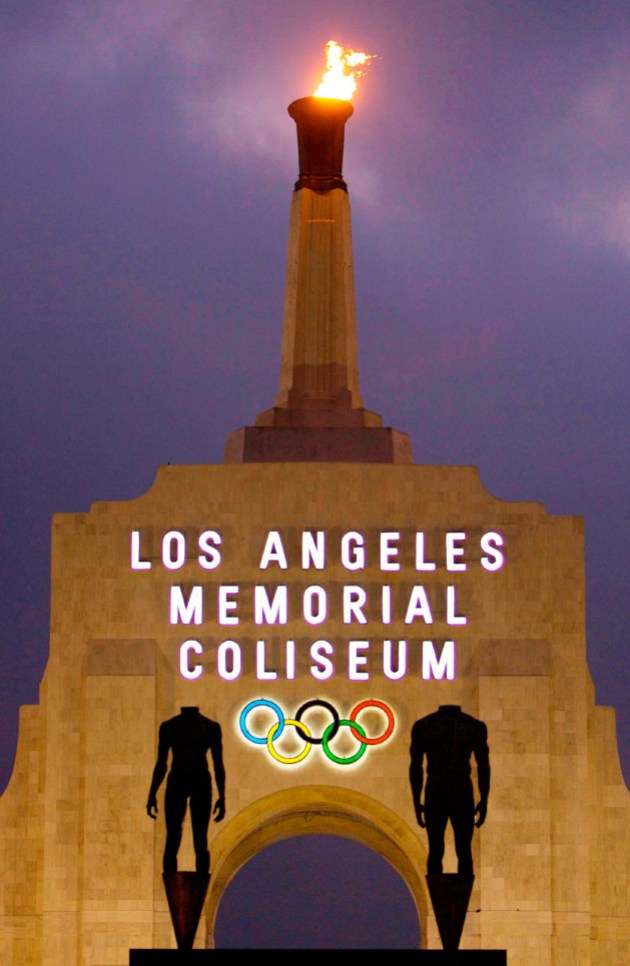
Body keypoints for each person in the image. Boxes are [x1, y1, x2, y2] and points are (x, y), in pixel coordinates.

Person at [409, 704, 489, 874]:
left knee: (436, 850)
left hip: (437, 789)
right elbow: (483, 766)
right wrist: (484, 799)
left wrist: (416, 801)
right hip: (460, 789)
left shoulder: (424, 725)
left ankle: (448, 898)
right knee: (462, 850)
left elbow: (416, 767)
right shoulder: (473, 726)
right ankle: (453, 898)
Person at [147, 706, 226, 874]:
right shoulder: (208, 726)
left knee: (185, 839)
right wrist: (222, 797)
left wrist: (152, 794)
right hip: (189, 780)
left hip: (188, 780)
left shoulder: (173, 726)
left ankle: (196, 893)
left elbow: (162, 764)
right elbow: (218, 765)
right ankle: (174, 891)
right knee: (186, 839)